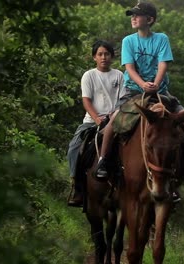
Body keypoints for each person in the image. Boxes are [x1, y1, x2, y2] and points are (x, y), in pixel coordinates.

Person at [94, 2, 184, 202]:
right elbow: (129, 68)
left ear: (150, 20)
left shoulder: (161, 39)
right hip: (133, 91)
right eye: (132, 15)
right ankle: (103, 161)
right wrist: (143, 84)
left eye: (138, 15)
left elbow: (163, 64)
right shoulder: (129, 41)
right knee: (114, 119)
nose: (133, 18)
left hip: (160, 91)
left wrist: (155, 83)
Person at [67, 40, 125, 207]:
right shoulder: (89, 75)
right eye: (100, 54)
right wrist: (97, 118)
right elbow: (86, 101)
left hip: (114, 120)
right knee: (74, 148)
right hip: (92, 122)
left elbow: (122, 100)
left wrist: (112, 116)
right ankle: (77, 187)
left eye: (107, 54)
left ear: (112, 57)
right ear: (94, 57)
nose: (103, 57)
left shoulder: (119, 75)